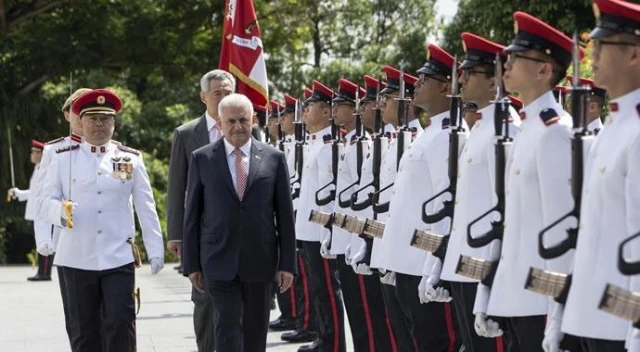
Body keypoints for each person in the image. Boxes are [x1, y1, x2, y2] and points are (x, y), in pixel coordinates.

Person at [473, 11, 579, 352]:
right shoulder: (527, 130)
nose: (507, 64)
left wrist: (558, 316)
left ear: (544, 70)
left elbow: (562, 235)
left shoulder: (554, 131)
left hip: (539, 304)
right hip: (516, 296)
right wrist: (488, 293)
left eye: (517, 57)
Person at [38, 88, 165, 351]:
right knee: (83, 331)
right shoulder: (62, 158)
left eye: (106, 119)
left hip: (117, 256)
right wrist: (61, 211)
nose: (99, 124)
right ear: (80, 123)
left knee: (121, 323)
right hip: (75, 257)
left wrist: (156, 250)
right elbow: (43, 201)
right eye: (93, 119)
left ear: (114, 123)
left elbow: (146, 207)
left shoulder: (130, 158)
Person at [422, 33, 518, 352]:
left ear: (494, 82)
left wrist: (490, 291)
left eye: (470, 72)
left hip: (482, 272)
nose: (461, 78)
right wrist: (440, 265)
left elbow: (503, 217)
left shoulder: (505, 129)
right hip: (463, 265)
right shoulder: (481, 128)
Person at [182, 93, 296, 352]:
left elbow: (285, 215)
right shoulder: (202, 158)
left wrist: (287, 264)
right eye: (230, 121)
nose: (237, 126)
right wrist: (191, 264)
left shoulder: (273, 158)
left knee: (255, 333)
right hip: (218, 259)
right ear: (220, 124)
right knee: (226, 330)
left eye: (243, 120)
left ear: (253, 120)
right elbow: (192, 215)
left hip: (260, 259)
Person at [557, 1, 640, 351]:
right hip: (592, 314)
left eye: (604, 44)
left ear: (634, 54)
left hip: (622, 324)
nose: (593, 53)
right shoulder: (611, 131)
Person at [166, 69, 235, 352]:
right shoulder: (186, 134)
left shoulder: (247, 127)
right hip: (203, 233)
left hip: (239, 231)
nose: (223, 98)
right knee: (205, 301)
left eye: (228, 93)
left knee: (239, 304)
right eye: (217, 93)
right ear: (203, 96)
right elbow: (176, 186)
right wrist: (176, 234)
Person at [295, 80, 346, 352]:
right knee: (318, 289)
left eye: (311, 105)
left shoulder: (330, 147)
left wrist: (329, 234)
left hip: (321, 231)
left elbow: (331, 197)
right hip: (308, 229)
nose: (305, 110)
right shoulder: (315, 143)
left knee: (327, 289)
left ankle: (334, 344)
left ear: (327, 112)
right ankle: (325, 338)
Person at [7, 139, 47, 280]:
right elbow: (34, 192)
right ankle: (42, 271)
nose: (31, 155)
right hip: (38, 211)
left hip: (43, 211)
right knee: (41, 241)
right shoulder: (38, 169)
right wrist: (18, 193)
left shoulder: (45, 169)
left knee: (45, 241)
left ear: (41, 154)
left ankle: (45, 272)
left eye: (34, 152)